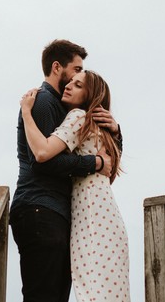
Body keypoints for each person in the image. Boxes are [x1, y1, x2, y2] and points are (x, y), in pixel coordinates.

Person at [10, 40, 122, 302]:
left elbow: (104, 158)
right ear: (57, 67)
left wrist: (116, 132)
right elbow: (42, 160)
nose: (76, 77)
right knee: (43, 294)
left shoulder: (69, 111)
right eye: (77, 69)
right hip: (39, 207)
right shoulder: (43, 102)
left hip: (55, 212)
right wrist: (93, 163)